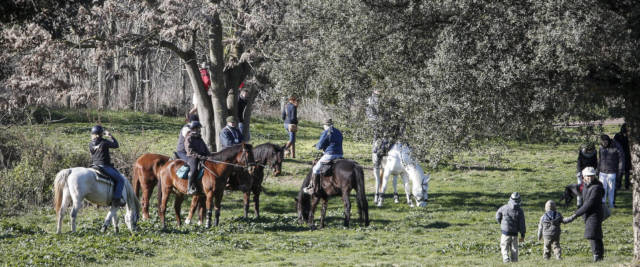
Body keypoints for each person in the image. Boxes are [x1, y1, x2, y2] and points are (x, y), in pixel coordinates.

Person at [563, 167, 605, 262]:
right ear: (584, 177)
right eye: (588, 176)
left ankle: (597, 256)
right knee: (595, 235)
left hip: (595, 214)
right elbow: (579, 188)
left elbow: (589, 204)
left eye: (592, 176)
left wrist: (574, 215)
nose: (590, 178)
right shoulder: (586, 185)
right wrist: (569, 189)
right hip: (589, 215)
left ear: (594, 176)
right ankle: (600, 257)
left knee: (593, 235)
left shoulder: (597, 188)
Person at [89, 125, 126, 207]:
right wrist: (110, 135)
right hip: (104, 166)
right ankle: (117, 199)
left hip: (93, 166)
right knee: (120, 180)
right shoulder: (104, 142)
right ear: (101, 134)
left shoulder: (90, 144)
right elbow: (116, 145)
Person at [304, 118, 343, 195]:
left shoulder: (326, 132)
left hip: (330, 155)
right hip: (340, 154)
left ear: (325, 125)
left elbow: (319, 146)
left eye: (324, 125)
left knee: (315, 169)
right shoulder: (338, 132)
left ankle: (313, 188)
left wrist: (317, 146)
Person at [495, 192, 526, 263]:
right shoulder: (520, 211)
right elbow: (522, 224)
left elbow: (497, 216)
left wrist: (501, 223)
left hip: (505, 232)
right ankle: (514, 261)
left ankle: (505, 257)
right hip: (515, 234)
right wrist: (522, 234)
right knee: (514, 248)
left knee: (504, 246)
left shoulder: (504, 207)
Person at [598, 134, 624, 208]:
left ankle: (611, 204)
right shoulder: (600, 147)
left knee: (611, 190)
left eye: (605, 142)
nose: (604, 144)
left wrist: (620, 171)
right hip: (602, 171)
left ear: (608, 140)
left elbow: (621, 160)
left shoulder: (616, 147)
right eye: (602, 142)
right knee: (603, 189)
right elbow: (599, 159)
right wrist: (598, 169)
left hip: (612, 171)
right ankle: (602, 204)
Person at [184, 121, 210, 195]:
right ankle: (189, 188)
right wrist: (199, 156)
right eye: (198, 128)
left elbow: (205, 148)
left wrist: (209, 155)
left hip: (202, 157)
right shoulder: (189, 138)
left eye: (199, 128)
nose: (199, 130)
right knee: (194, 169)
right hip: (192, 157)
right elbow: (190, 150)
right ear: (194, 129)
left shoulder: (199, 138)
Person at [613, 123, 631, 190]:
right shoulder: (618, 136)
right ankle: (620, 185)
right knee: (622, 171)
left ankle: (625, 185)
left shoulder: (619, 135)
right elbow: (614, 145)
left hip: (627, 155)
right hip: (621, 155)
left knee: (625, 171)